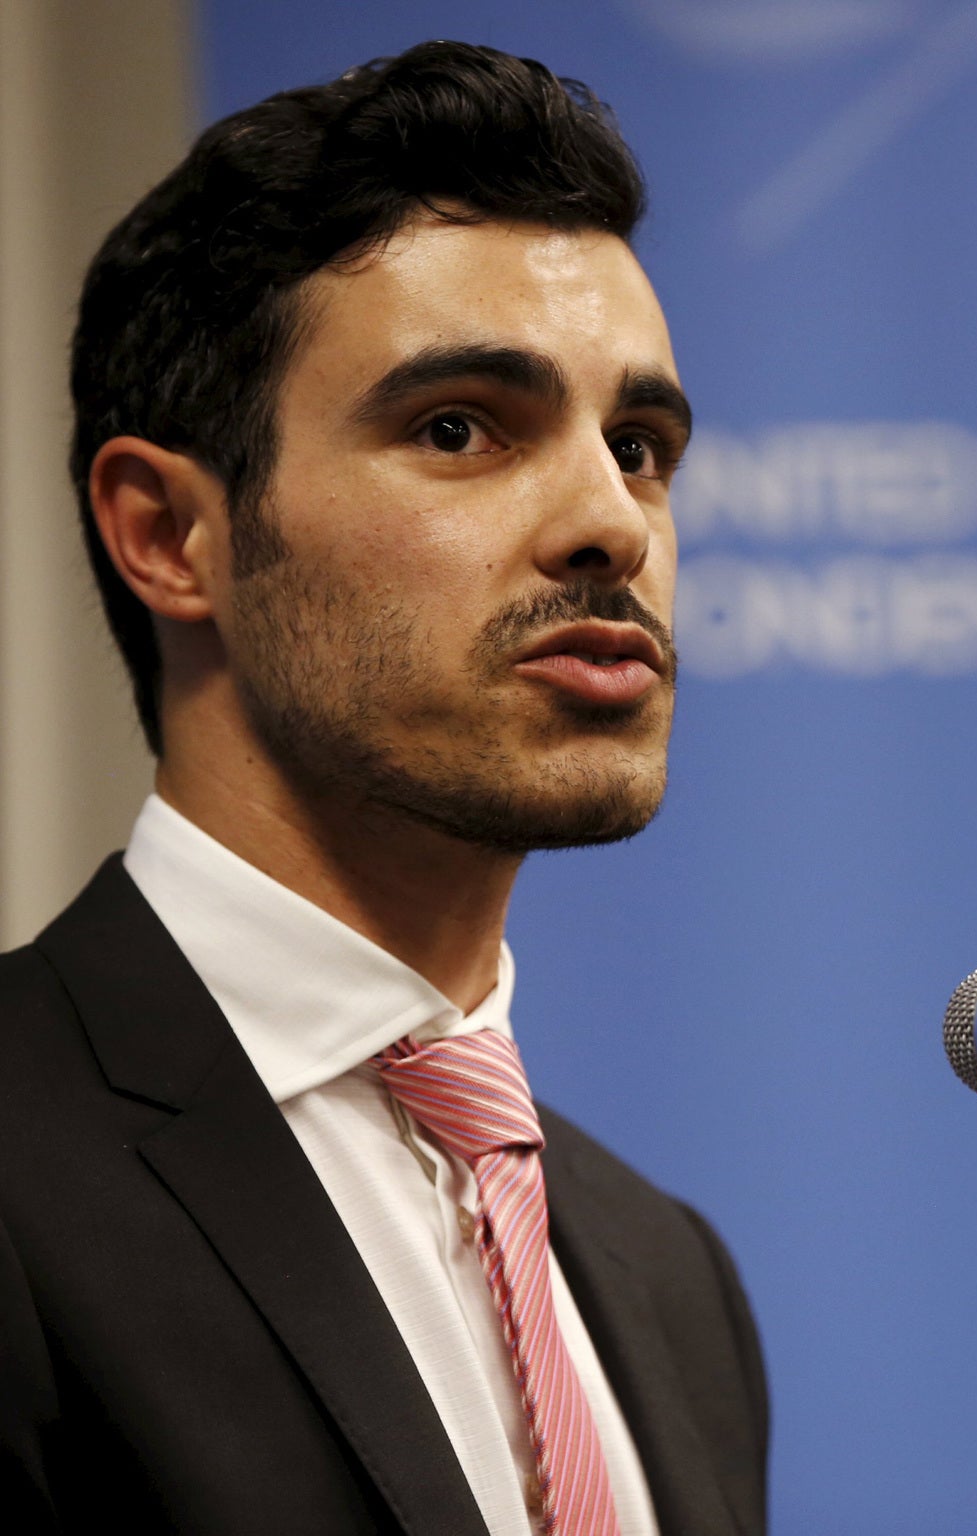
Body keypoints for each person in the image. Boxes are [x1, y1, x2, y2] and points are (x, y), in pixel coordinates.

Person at [0, 42, 767, 1536]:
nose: (611, 520)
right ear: (168, 534)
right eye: (462, 427)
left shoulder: (672, 1277)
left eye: (640, 444)